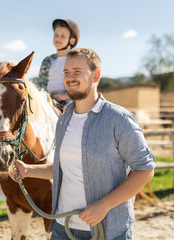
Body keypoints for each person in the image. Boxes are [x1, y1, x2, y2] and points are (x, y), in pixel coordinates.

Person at [10, 48, 156, 240]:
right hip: (63, 228)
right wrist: (28, 170)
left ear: (96, 75)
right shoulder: (64, 119)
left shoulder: (119, 119)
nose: (70, 77)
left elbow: (145, 170)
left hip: (108, 231)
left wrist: (104, 205)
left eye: (77, 71)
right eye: (66, 72)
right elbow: (67, 167)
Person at [33, 18, 80, 107]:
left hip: (69, 100)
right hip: (48, 100)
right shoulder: (47, 60)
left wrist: (64, 96)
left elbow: (80, 85)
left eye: (63, 36)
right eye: (56, 35)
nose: (58, 38)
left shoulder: (76, 60)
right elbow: (41, 83)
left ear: (72, 40)